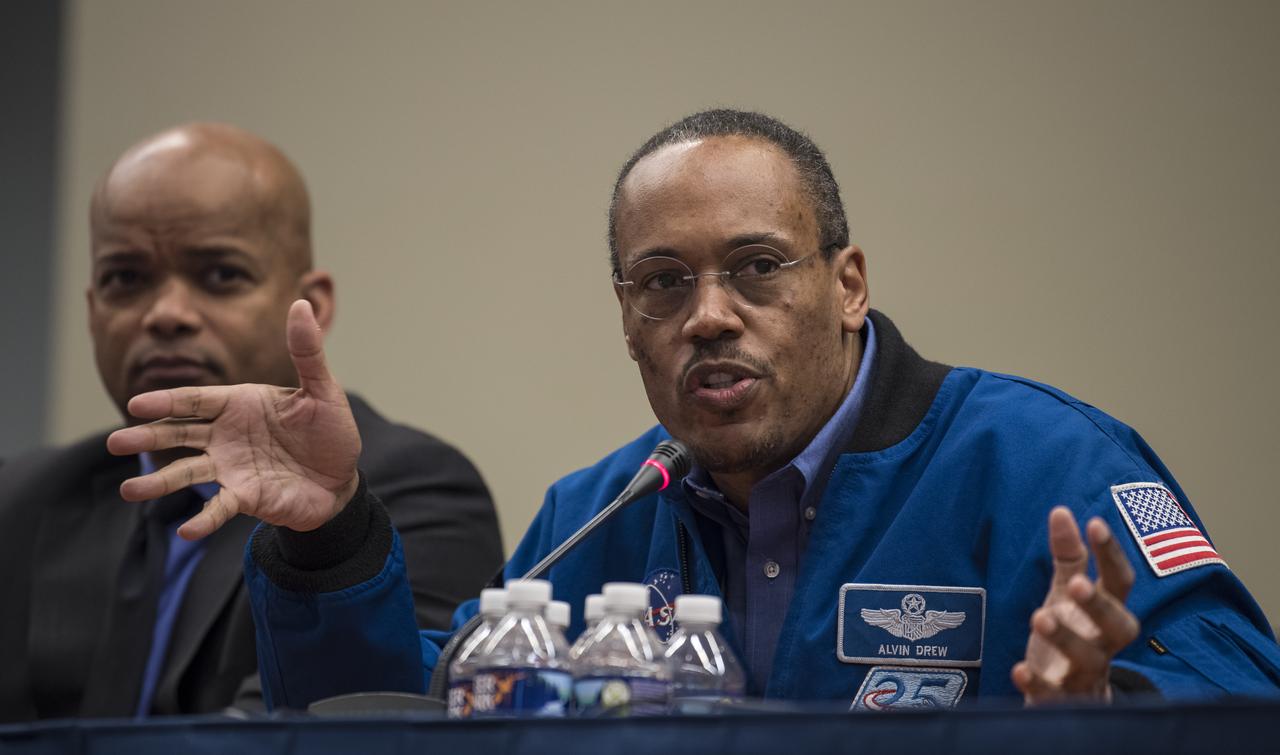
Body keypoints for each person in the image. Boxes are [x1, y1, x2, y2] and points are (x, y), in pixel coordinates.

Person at [111, 111, 1279, 710]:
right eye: (662, 281)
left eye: (757, 267)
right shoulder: (597, 515)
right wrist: (328, 532)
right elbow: (411, 723)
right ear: (626, 313)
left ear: (848, 283)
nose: (707, 315)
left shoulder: (1044, 459)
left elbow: (1240, 689)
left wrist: (1107, 706)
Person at [0, 123, 504, 721]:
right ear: (92, 310)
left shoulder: (408, 493)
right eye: (126, 280)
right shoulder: (19, 500)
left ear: (310, 307)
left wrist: (328, 537)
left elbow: (326, 730)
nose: (166, 314)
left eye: (220, 275)